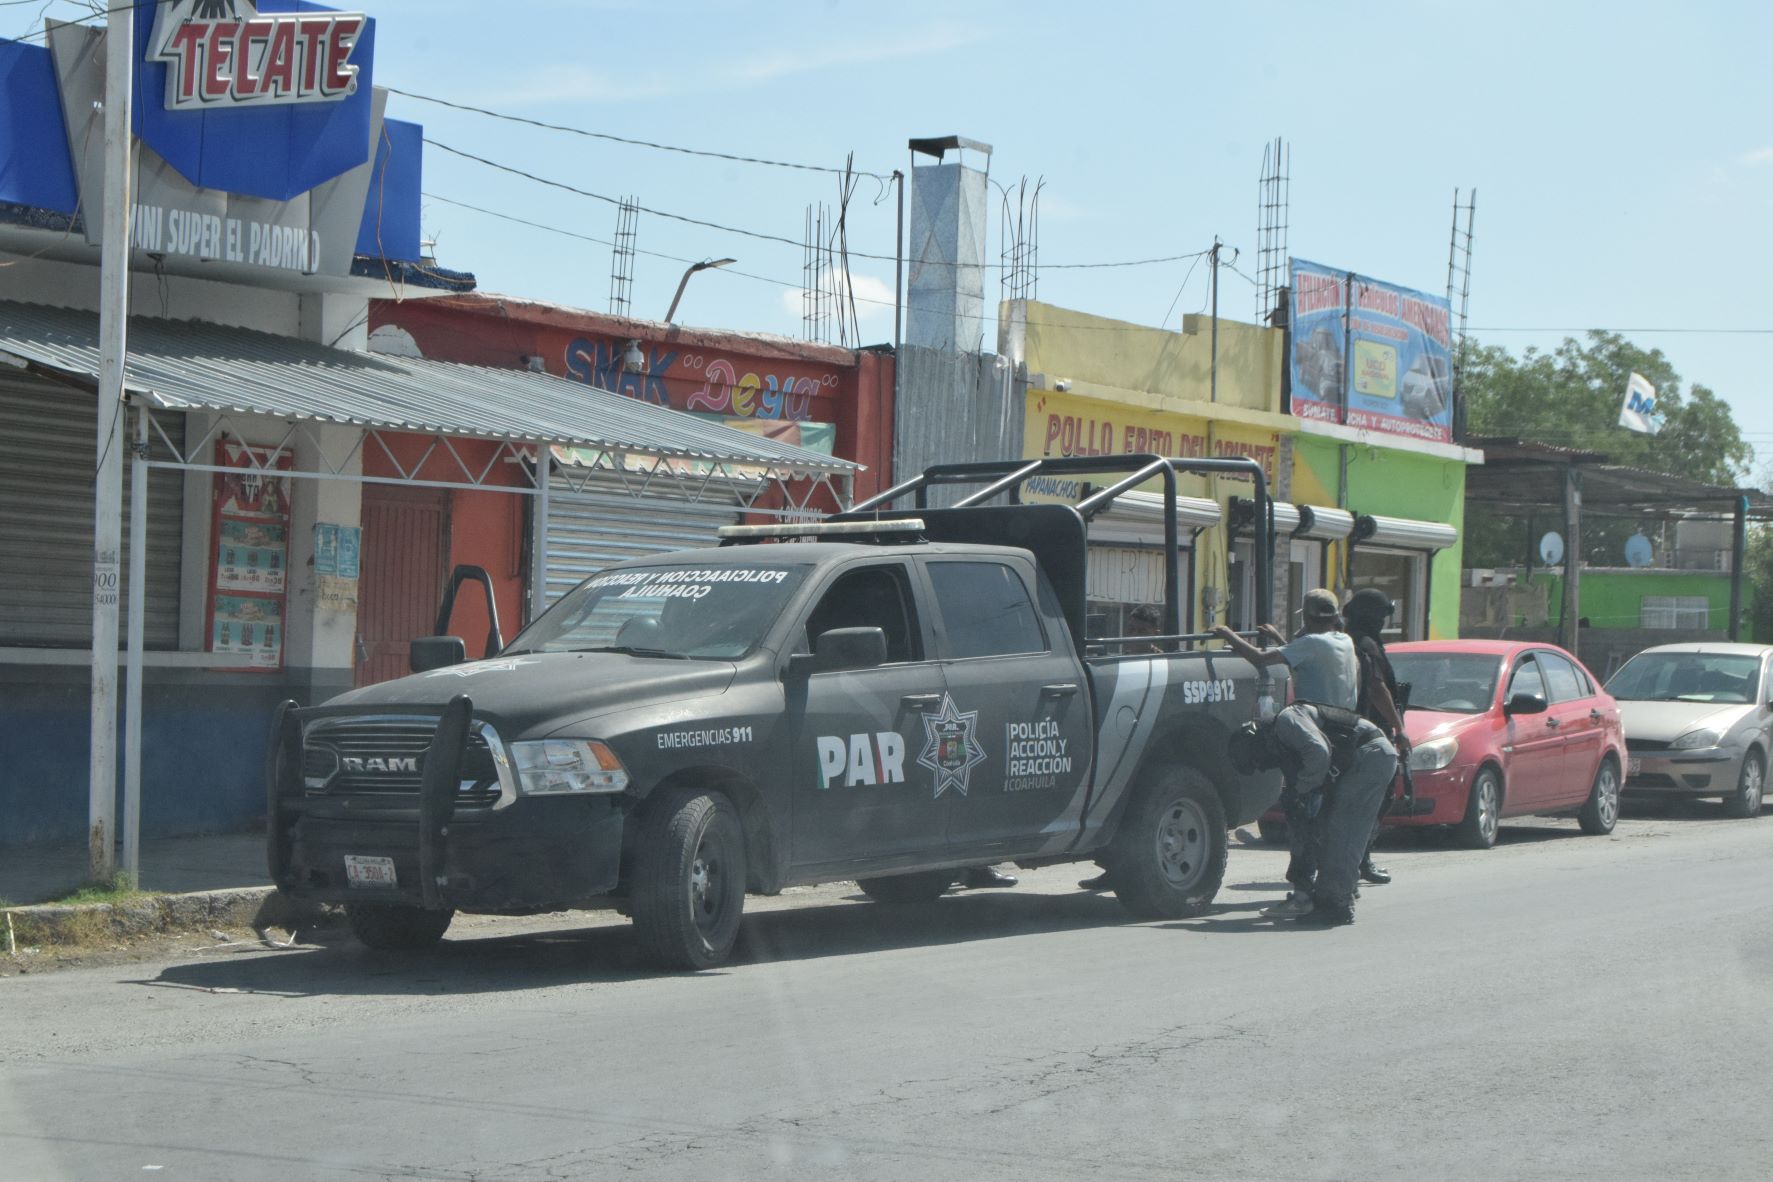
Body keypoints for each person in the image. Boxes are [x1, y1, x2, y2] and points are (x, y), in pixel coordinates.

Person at [1229, 702, 1398, 925]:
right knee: (1332, 831)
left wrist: (1302, 789)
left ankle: (1336, 906)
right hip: (1364, 757)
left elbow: (1319, 751)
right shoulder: (1285, 735)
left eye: (1258, 761)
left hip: (1368, 756)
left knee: (1343, 832)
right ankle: (1336, 894)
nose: (1264, 765)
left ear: (1259, 743)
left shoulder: (1287, 721)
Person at [1343, 588, 1411, 885]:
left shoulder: (1345, 641)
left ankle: (1352, 857)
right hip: (1369, 733)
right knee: (1377, 797)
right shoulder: (1366, 645)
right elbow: (1376, 688)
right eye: (1382, 616)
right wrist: (1398, 728)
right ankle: (1361, 858)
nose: (1385, 622)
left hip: (1346, 731)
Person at [1211, 587, 1359, 712]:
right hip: (1344, 716)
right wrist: (1277, 638)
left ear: (1306, 617)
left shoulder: (1312, 642)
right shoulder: (1345, 640)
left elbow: (1260, 659)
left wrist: (1227, 633)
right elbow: (1300, 657)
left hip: (1318, 719)